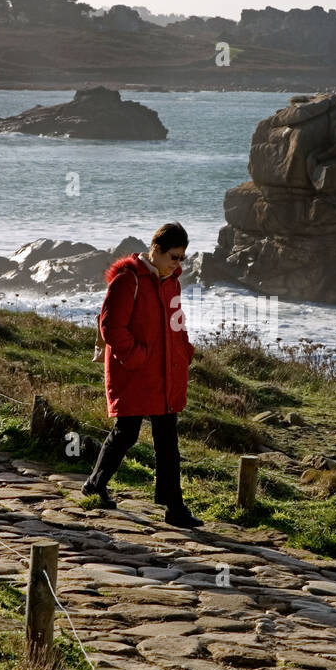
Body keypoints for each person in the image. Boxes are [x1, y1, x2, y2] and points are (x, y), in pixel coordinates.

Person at [82, 222, 201, 528]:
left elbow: (177, 322)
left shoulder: (171, 282)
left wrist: (185, 350)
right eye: (174, 257)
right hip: (135, 372)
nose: (178, 264)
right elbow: (111, 327)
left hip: (166, 372)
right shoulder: (127, 280)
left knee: (167, 440)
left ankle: (174, 507)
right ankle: (95, 484)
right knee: (126, 433)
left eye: (182, 258)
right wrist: (135, 357)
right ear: (156, 251)